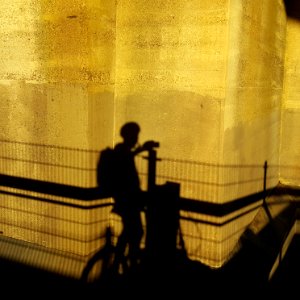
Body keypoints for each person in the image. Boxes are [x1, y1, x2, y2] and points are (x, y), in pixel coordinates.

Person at [111, 122, 158, 274]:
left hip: (127, 200)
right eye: (135, 134)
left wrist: (140, 149)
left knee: (131, 232)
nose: (137, 137)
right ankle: (126, 264)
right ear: (129, 135)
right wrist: (142, 148)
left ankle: (120, 262)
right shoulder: (120, 149)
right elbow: (126, 156)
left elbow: (128, 155)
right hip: (127, 201)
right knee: (136, 232)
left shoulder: (123, 150)